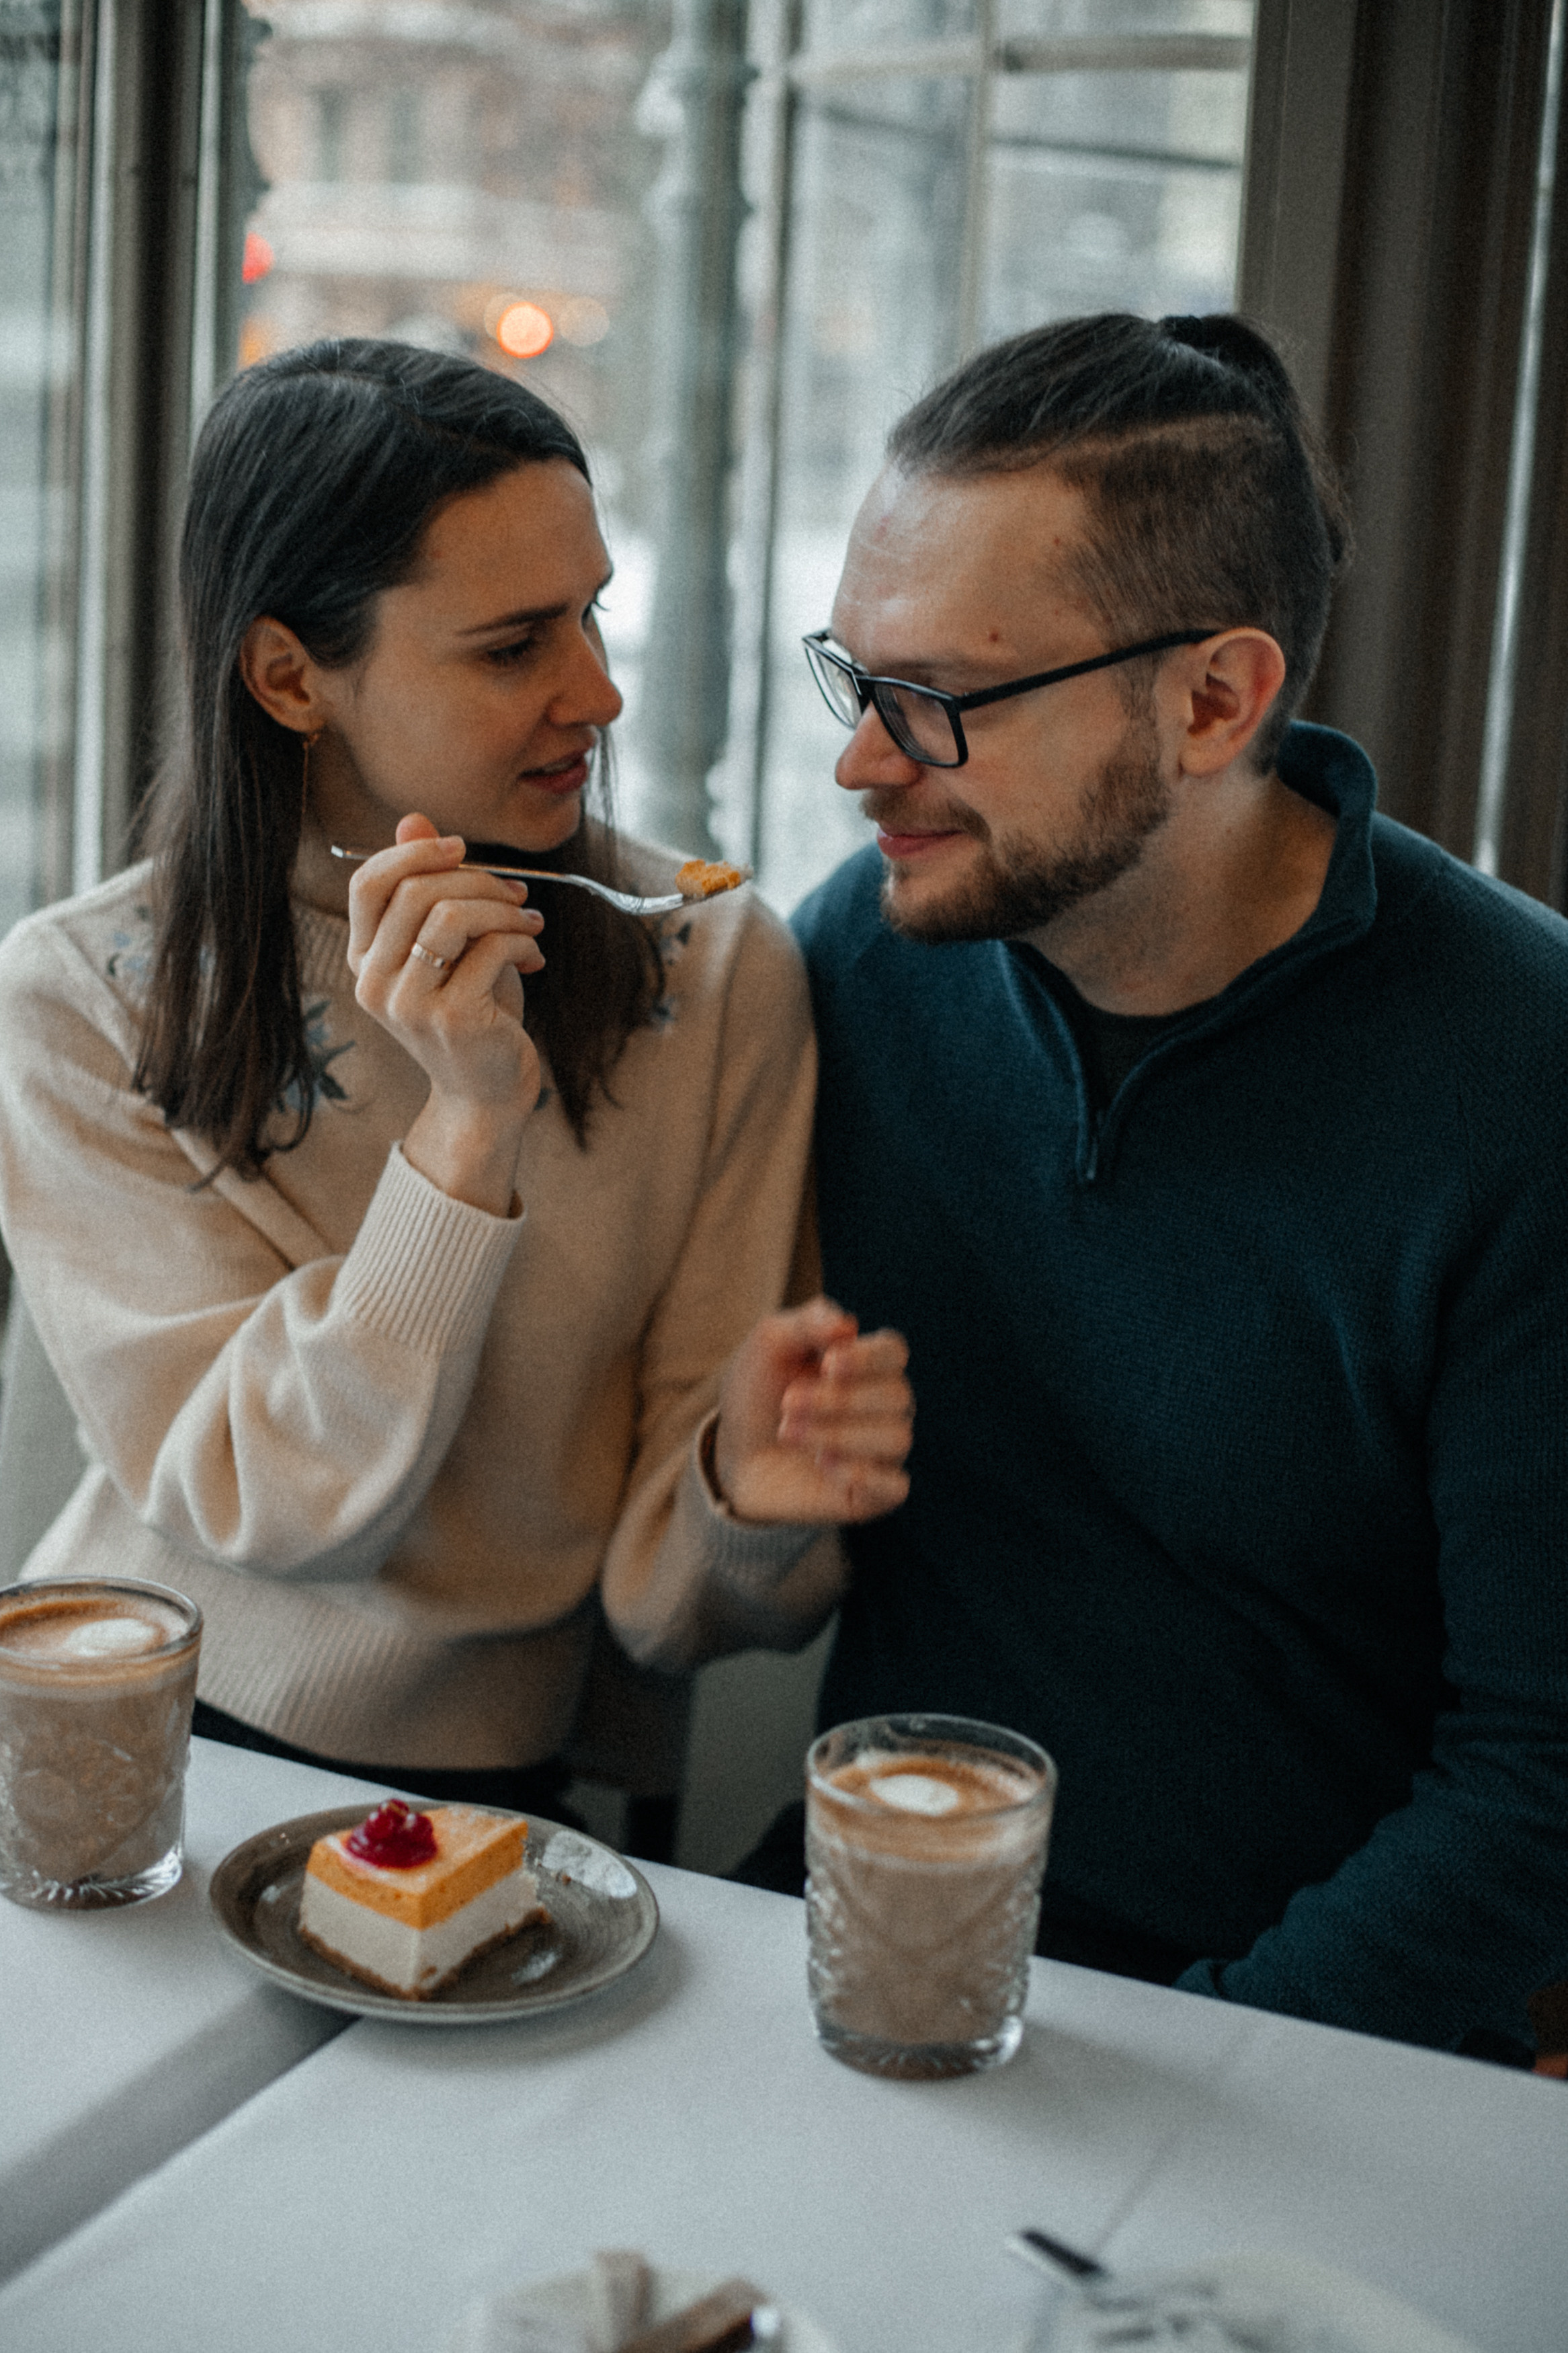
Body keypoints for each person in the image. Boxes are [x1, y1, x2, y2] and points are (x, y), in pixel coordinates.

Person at [761, 311, 1568, 2057]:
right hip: (860, 1944)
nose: (858, 760)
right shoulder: (863, 953)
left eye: (939, 701)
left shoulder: (1527, 1066)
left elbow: (1541, 1775)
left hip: (1296, 2027)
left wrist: (1215, 2078)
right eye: (852, 675)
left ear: (1212, 699)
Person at [0, 339, 911, 1831]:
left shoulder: (714, 962)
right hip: (130, 1737)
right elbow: (265, 1497)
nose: (601, 693)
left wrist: (747, 1498)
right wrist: (468, 1123)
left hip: (513, 1797)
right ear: (292, 677)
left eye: (593, 615)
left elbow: (669, 1596)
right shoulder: (81, 996)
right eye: (513, 647)